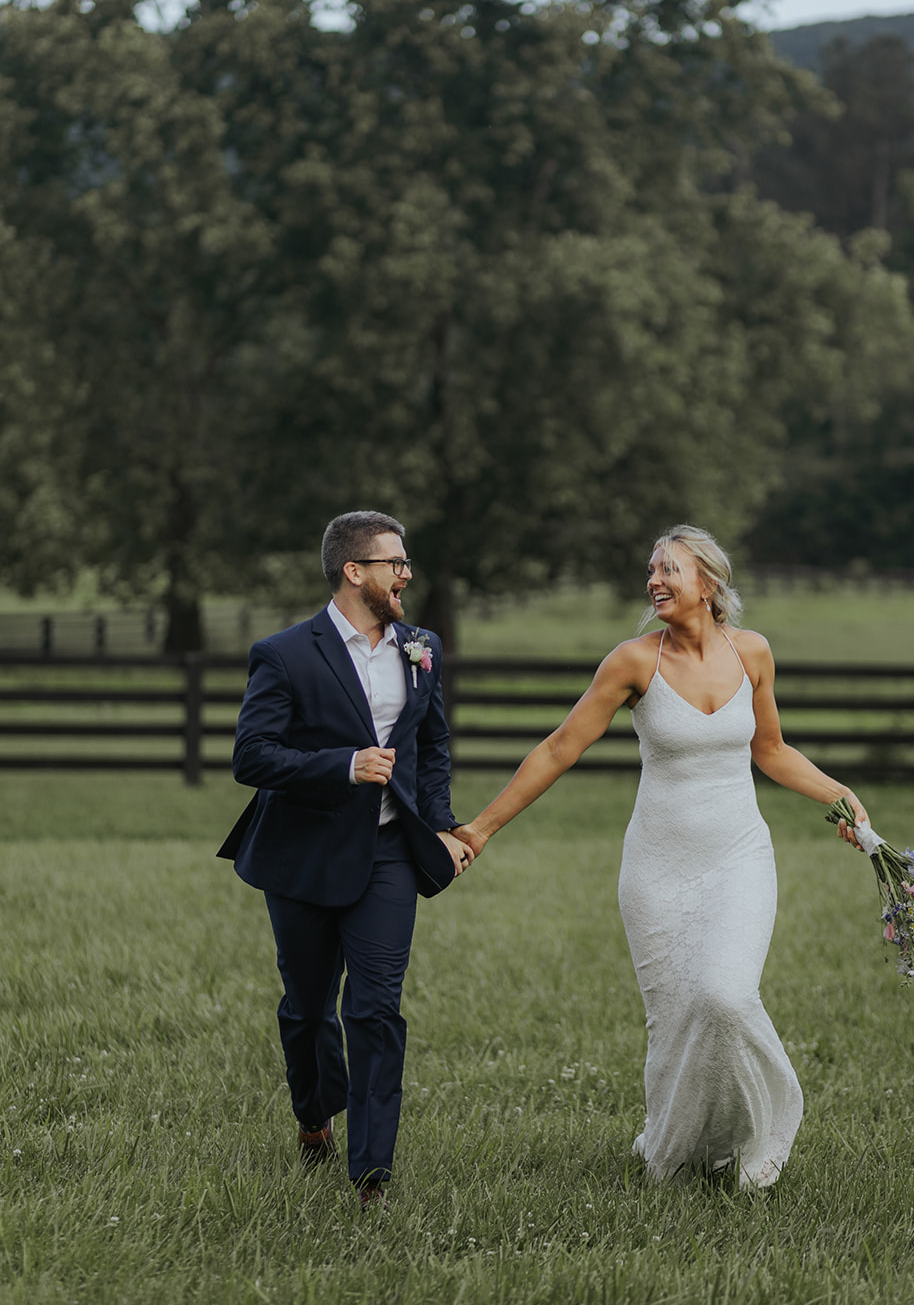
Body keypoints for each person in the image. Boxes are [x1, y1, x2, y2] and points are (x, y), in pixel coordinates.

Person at [452, 524, 869, 1190]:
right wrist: (480, 828)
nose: (653, 580)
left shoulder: (752, 652)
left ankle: (754, 1139)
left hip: (738, 856)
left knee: (724, 996)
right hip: (656, 867)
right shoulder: (632, 661)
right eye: (650, 569)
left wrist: (840, 796)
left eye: (668, 569)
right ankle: (671, 1159)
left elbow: (770, 750)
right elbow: (561, 747)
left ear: (707, 583)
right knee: (674, 1016)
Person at [218, 510, 473, 1209]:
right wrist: (344, 764)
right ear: (354, 571)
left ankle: (370, 1177)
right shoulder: (285, 654)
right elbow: (251, 757)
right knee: (306, 1009)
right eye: (396, 563)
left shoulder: (421, 647)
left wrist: (444, 826)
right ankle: (312, 1116)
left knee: (376, 1008)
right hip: (301, 854)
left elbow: (431, 747)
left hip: (390, 851)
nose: (407, 575)